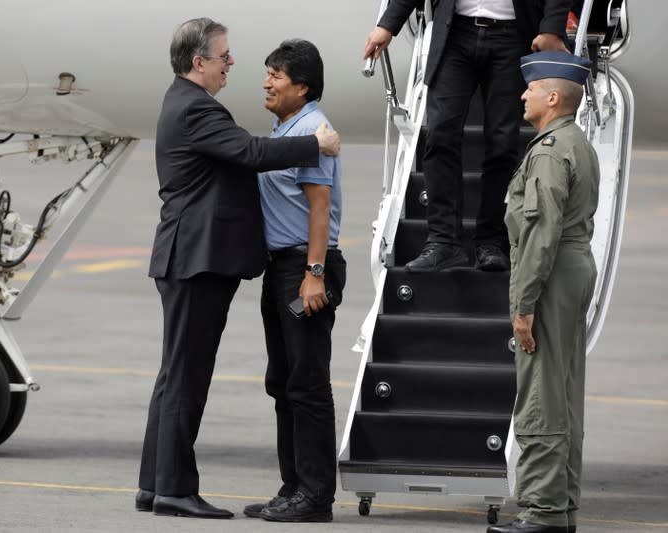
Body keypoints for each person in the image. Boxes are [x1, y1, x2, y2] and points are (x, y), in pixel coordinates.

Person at [135, 18, 341, 520]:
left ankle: (155, 485)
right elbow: (249, 153)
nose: (232, 65)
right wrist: (319, 144)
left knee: (178, 375)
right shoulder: (195, 108)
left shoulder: (184, 103)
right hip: (198, 258)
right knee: (186, 376)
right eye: (224, 56)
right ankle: (174, 489)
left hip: (205, 257)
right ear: (199, 62)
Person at [363, 0, 571, 272]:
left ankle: (491, 241)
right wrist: (388, 24)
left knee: (502, 142)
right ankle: (442, 241)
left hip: (512, 35)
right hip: (455, 32)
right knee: (440, 135)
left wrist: (552, 28)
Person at [489, 50, 598, 533]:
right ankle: (562, 506)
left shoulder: (551, 150)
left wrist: (524, 305)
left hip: (550, 274)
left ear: (552, 97)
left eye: (530, 89)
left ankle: (542, 512)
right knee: (564, 392)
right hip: (572, 268)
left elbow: (539, 231)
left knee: (541, 395)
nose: (522, 95)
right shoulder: (576, 142)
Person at [241, 39, 346, 523]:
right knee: (282, 383)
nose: (267, 82)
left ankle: (316, 495)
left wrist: (314, 275)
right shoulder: (287, 126)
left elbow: (319, 208)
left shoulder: (312, 128)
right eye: (268, 73)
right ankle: (293, 488)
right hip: (281, 266)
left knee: (306, 385)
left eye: (276, 75)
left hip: (305, 268)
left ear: (301, 87)